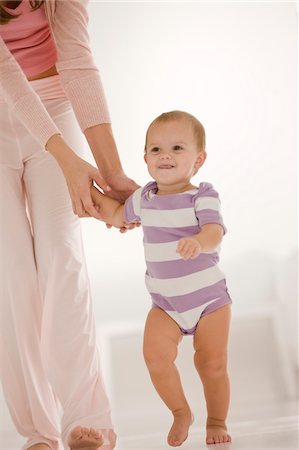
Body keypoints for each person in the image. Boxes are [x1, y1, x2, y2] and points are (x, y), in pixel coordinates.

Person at [0, 1, 138, 449]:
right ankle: (38, 432)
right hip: (8, 104)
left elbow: (77, 60)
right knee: (13, 273)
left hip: (53, 104)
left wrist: (110, 172)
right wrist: (68, 161)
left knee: (64, 257)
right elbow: (8, 78)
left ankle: (86, 418)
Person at [90, 110, 232, 447]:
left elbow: (214, 231)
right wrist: (87, 192)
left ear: (198, 159)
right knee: (155, 358)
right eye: (156, 150)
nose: (164, 155)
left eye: (177, 148)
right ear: (145, 159)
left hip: (209, 300)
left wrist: (198, 242)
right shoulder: (145, 198)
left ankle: (216, 419)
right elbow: (113, 213)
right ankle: (181, 411)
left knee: (211, 363)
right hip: (165, 304)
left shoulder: (203, 195)